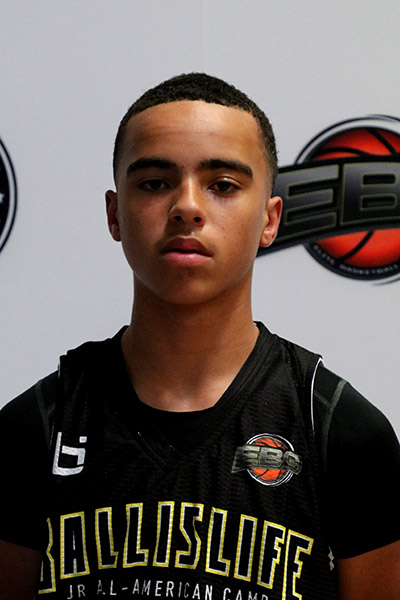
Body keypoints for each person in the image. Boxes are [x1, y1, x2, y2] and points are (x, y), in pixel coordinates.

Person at [0, 73, 399, 600]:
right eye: (154, 183)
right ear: (115, 214)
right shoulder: (34, 428)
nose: (187, 206)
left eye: (223, 185)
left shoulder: (343, 433)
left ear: (270, 220)